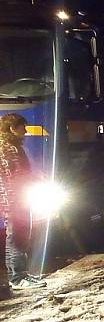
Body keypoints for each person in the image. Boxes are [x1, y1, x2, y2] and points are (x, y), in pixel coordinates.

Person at [0, 113, 46, 293]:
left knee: (17, 237)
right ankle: (18, 278)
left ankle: (19, 275)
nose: (26, 131)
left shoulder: (9, 146)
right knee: (17, 238)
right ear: (12, 128)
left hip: (14, 199)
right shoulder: (8, 148)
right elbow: (14, 176)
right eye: (22, 127)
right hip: (15, 200)